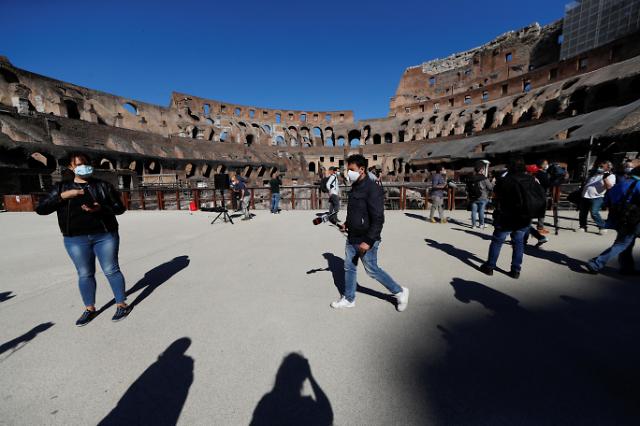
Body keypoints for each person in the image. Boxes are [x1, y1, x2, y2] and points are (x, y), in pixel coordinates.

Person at [35, 152, 130, 326]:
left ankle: (121, 304)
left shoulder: (103, 186)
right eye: (78, 164)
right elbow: (41, 208)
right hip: (75, 239)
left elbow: (119, 208)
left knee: (111, 270)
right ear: (71, 167)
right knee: (85, 274)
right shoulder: (61, 188)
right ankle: (89, 308)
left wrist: (101, 208)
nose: (83, 167)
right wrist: (63, 196)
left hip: (105, 235)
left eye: (85, 163)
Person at [330, 154, 409, 311]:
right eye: (347, 169)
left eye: (351, 170)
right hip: (352, 235)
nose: (348, 173)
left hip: (366, 237)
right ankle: (349, 298)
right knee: (349, 267)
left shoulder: (373, 189)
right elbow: (354, 212)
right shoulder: (354, 187)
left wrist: (369, 240)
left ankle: (400, 291)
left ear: (361, 169)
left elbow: (378, 218)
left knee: (372, 270)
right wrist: (346, 224)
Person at [480, 157, 545, 278]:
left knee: (497, 241)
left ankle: (490, 267)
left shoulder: (505, 180)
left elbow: (496, 193)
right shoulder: (531, 179)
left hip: (506, 217)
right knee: (518, 243)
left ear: (510, 167)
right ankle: (515, 270)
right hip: (524, 217)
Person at [586, 166, 640, 275]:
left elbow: (606, 200)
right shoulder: (638, 185)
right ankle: (596, 263)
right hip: (632, 219)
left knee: (627, 242)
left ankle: (627, 268)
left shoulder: (620, 184)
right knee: (622, 243)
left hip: (618, 218)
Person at [579, 160, 616, 234]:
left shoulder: (611, 176)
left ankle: (602, 227)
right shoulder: (595, 174)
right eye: (599, 166)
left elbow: (609, 187)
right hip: (585, 196)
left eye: (602, 166)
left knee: (594, 212)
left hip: (597, 197)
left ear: (608, 168)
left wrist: (605, 178)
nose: (599, 167)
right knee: (583, 213)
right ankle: (583, 226)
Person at [466, 162, 493, 229]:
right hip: (482, 197)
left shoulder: (471, 178)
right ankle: (481, 224)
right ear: (481, 170)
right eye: (483, 169)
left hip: (473, 197)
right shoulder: (484, 178)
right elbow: (490, 187)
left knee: (474, 211)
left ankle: (473, 225)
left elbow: (467, 188)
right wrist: (492, 182)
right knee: (481, 210)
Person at [535, 159, 551, 234]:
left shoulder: (536, 173)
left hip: (536, 194)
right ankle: (540, 227)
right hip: (541, 194)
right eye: (545, 163)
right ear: (541, 165)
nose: (547, 165)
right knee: (542, 211)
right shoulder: (542, 174)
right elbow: (548, 184)